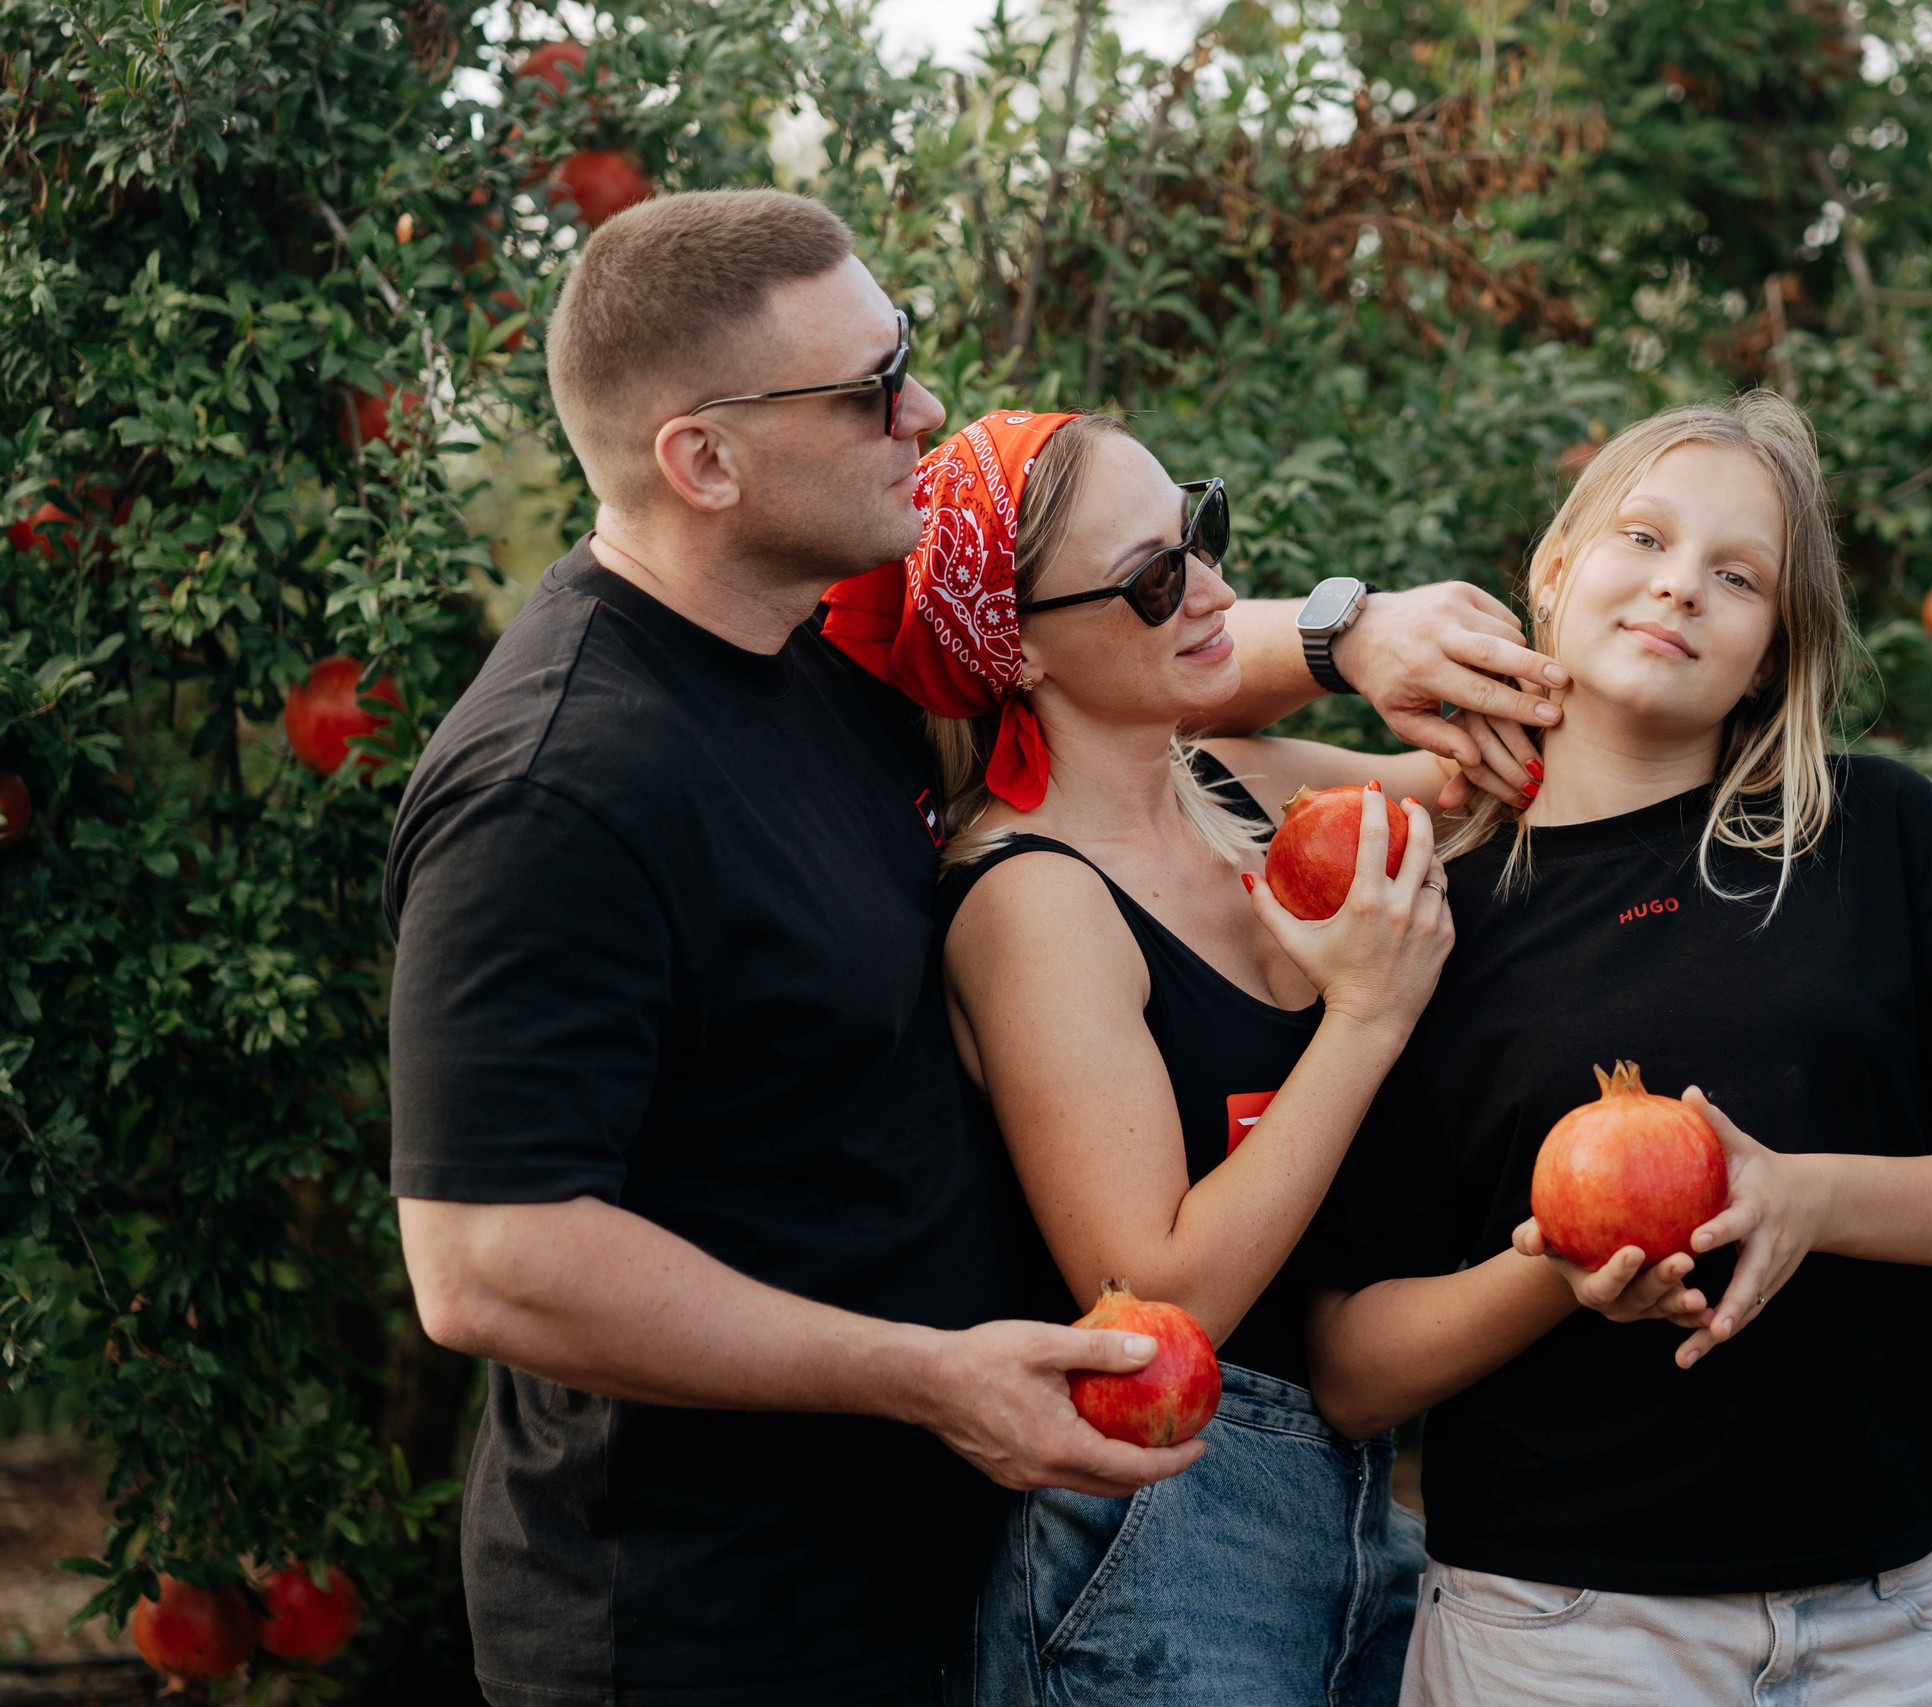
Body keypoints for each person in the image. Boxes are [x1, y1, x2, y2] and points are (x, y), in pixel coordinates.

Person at [384, 189, 1566, 1707]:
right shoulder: (557, 789)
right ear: (704, 458)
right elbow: (491, 1266)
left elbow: (1094, 656)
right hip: (704, 1631)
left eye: (905, 356)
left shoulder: (814, 662)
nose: (921, 409)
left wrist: (1350, 635)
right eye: (870, 389)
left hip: (952, 1574)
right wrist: (924, 1375)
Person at [1300, 395, 1932, 1704]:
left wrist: (1810, 1196)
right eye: (1645, 536)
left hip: (1885, 1621)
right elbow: (1352, 1367)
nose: (1681, 585)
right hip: (1560, 1630)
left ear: (1772, 653)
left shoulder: (1880, 840)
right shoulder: (1431, 916)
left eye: (1739, 577)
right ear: (1556, 570)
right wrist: (1559, 1270)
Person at [831, 408, 1457, 1704]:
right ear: (1023, 649)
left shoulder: (1225, 784)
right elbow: (1156, 1303)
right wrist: (1368, 1020)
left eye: (1203, 530)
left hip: (1355, 1496)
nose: (1220, 590)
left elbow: (1482, 794)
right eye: (1157, 579)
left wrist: (1390, 634)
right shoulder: (1029, 901)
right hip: (1166, 1536)